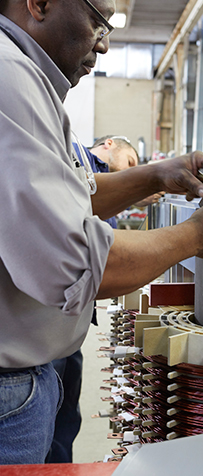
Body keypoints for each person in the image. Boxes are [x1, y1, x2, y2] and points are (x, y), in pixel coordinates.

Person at [0, 0, 203, 465]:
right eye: (98, 23)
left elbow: (71, 199)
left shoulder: (27, 79)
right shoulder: (8, 81)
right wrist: (196, 235)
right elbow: (81, 264)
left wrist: (155, 174)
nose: (105, 46)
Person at [46, 136, 139, 464]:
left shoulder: (97, 177)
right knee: (47, 414)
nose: (132, 172)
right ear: (110, 144)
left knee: (66, 414)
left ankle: (60, 469)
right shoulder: (74, 157)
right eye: (131, 163)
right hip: (50, 320)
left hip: (73, 322)